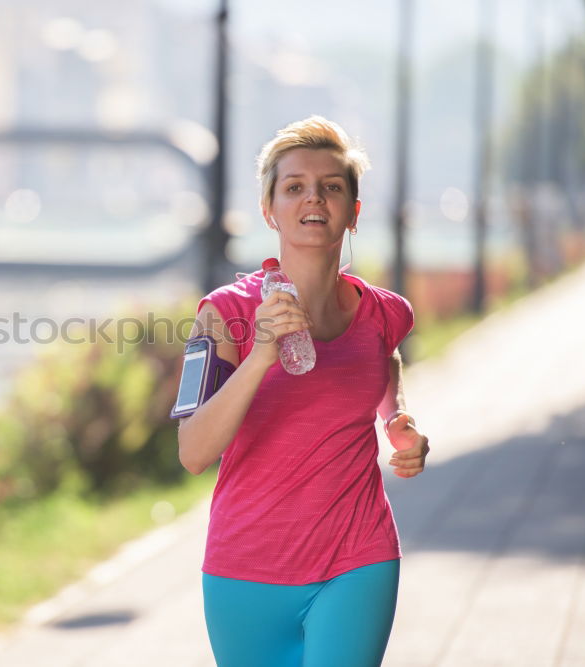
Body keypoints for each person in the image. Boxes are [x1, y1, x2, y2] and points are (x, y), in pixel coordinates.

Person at [178, 115, 430, 667]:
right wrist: (262, 354)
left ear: (353, 212)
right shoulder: (223, 314)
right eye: (294, 186)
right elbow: (193, 452)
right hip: (245, 569)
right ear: (269, 209)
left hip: (357, 557)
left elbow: (381, 355)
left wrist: (397, 420)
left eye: (331, 187)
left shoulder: (386, 312)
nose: (313, 197)